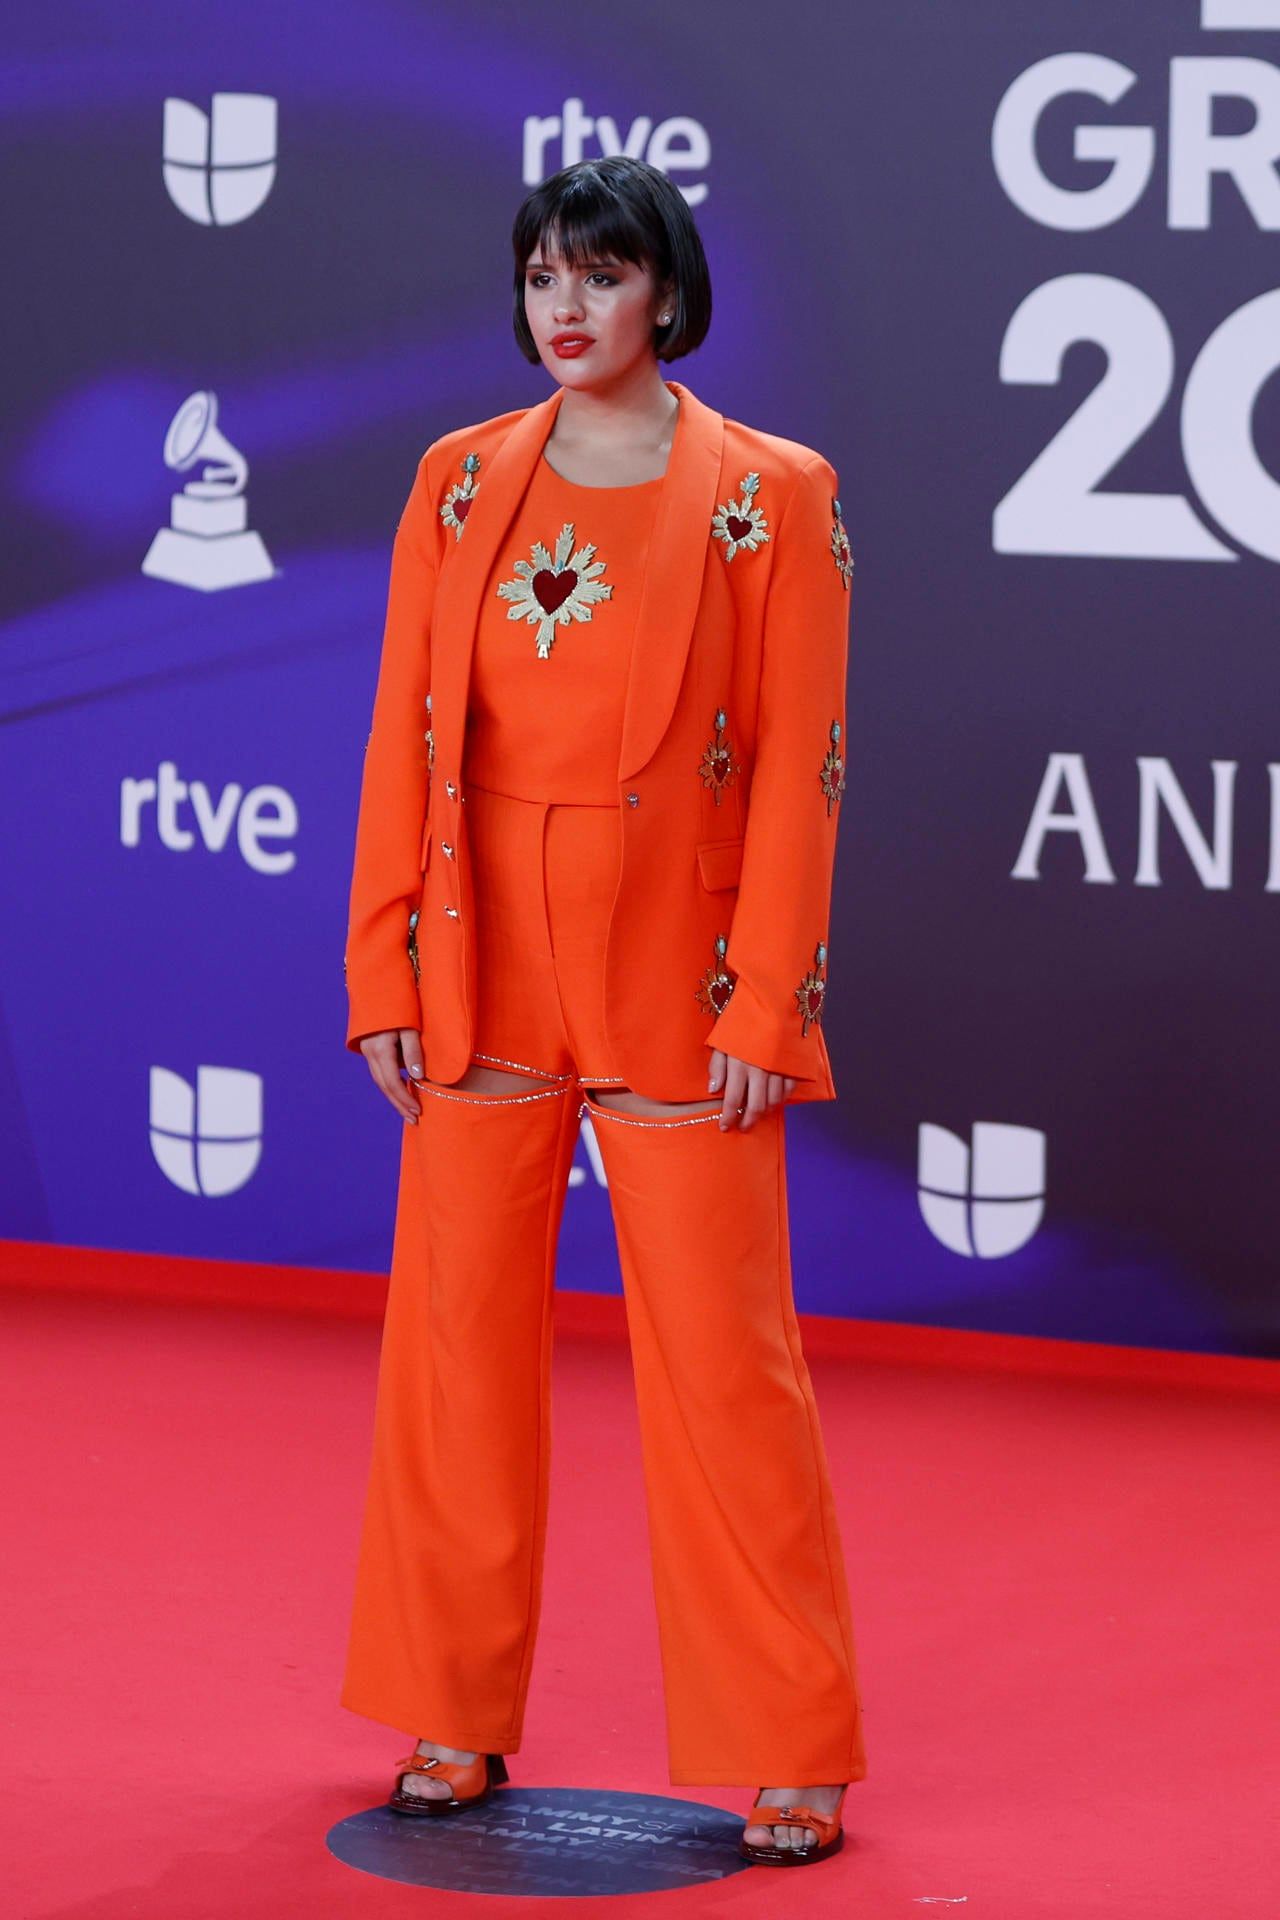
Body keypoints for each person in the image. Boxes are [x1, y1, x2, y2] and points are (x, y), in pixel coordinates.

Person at [340, 154, 865, 1869]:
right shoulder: (454, 479)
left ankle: (789, 1741)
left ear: (668, 294)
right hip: (485, 948)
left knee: (727, 1368)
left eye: (603, 275)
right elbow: (405, 731)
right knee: (455, 1356)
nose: (567, 307)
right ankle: (449, 1710)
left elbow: (802, 768)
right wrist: (386, 962)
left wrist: (764, 998)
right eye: (544, 275)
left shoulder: (775, 496)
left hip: (680, 968)